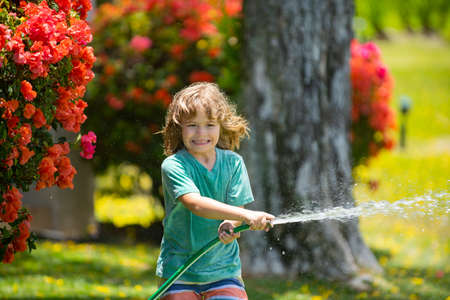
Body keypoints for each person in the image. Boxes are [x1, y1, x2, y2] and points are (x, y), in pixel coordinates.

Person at [156, 82, 275, 300]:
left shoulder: (234, 163)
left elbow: (235, 209)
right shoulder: (174, 165)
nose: (201, 133)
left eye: (209, 124)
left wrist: (231, 223)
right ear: (178, 127)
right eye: (192, 125)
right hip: (179, 271)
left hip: (223, 270)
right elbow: (196, 203)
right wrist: (246, 216)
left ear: (221, 125)